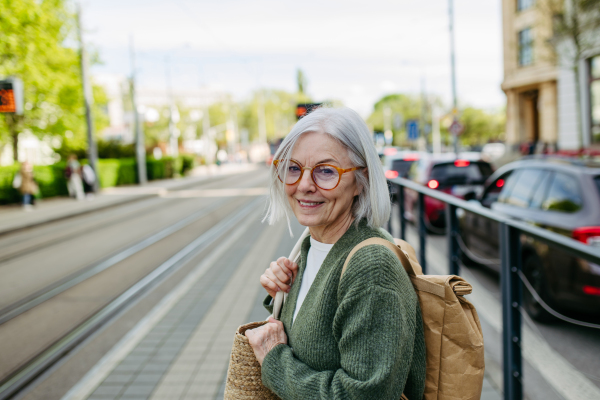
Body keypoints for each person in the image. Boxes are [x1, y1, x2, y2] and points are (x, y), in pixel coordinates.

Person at [245, 107, 426, 399]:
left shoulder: (371, 267)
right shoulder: (311, 245)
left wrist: (273, 360)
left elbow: (360, 395)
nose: (304, 185)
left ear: (361, 180)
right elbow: (320, 342)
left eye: (326, 171)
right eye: (293, 168)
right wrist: (281, 296)